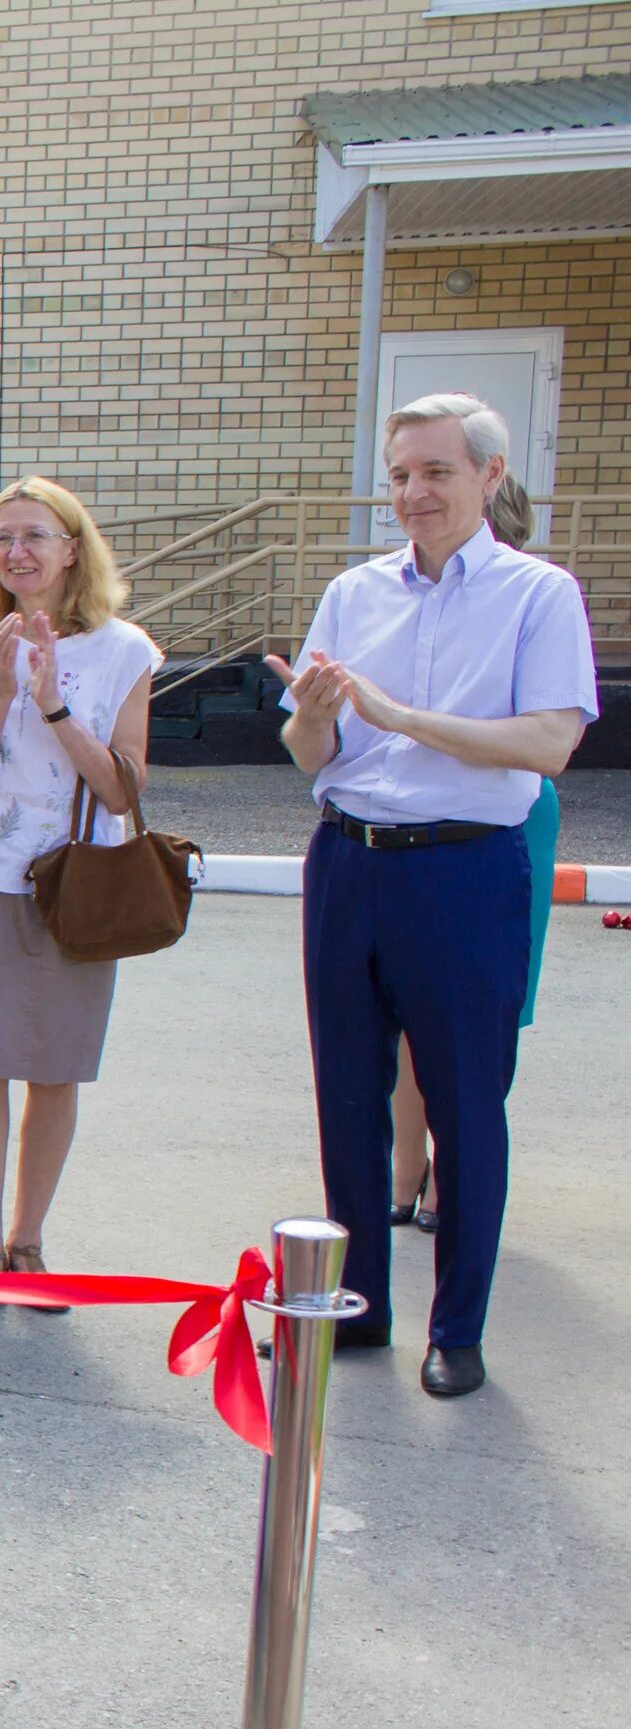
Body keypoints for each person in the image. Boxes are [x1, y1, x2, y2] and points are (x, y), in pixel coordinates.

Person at [272, 394, 596, 1398]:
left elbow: (549, 743)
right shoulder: (353, 591)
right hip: (350, 860)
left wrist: (403, 714)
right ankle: (358, 1307)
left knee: (464, 1104)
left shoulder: (539, 595)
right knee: (347, 1096)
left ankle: (458, 1327)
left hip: (465, 870)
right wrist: (319, 720)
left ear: (490, 478)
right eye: (402, 472)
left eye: (436, 472)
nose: (413, 493)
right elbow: (307, 751)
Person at [0, 477, 158, 1313]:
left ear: (72, 549)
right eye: (2, 538)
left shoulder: (125, 651)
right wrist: (4, 692)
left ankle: (30, 1245)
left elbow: (123, 793)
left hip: (76, 888)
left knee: (54, 1073)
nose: (16, 552)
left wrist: (53, 705)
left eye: (34, 536)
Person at [390, 468, 560, 1234]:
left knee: (485, 1011)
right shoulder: (395, 594)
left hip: (504, 818)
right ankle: (404, 1170)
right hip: (403, 818)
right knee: (397, 1008)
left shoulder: (536, 600)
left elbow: (546, 735)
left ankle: (451, 1176)